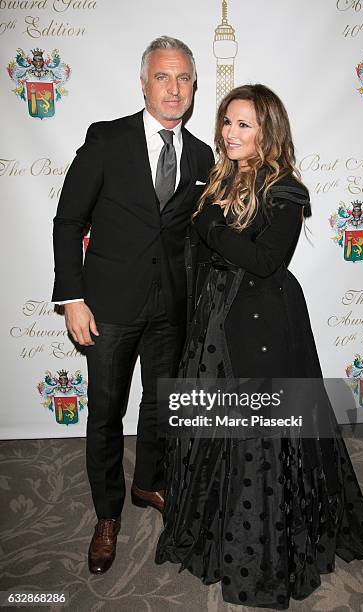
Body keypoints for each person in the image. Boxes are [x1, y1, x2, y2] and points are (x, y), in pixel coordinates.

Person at [155, 84, 363, 609]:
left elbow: (265, 261)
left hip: (262, 323)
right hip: (213, 320)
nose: (230, 133)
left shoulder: (284, 189)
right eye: (227, 122)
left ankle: (260, 551)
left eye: (244, 125)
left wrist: (212, 223)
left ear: (268, 133)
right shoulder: (216, 178)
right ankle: (211, 530)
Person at [51, 36, 214, 574]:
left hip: (171, 308)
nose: (174, 88)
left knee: (161, 405)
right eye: (163, 77)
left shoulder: (201, 156)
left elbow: (196, 235)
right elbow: (68, 221)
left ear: (194, 88)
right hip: (109, 307)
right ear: (143, 84)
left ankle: (149, 483)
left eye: (184, 78)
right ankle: (107, 514)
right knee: (105, 413)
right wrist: (72, 298)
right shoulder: (106, 140)